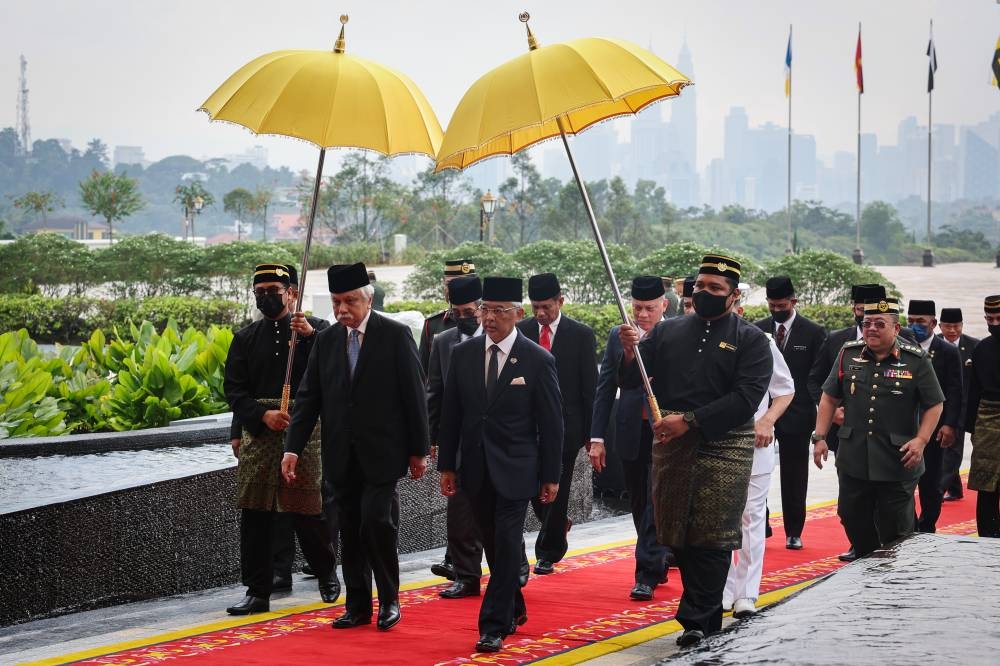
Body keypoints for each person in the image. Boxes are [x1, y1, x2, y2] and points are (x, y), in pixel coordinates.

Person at [618, 254, 772, 648]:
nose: (703, 293)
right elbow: (630, 378)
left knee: (712, 535)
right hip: (672, 446)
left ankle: (700, 620)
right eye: (699, 287)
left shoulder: (751, 339)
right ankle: (699, 612)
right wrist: (628, 349)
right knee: (677, 534)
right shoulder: (667, 333)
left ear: (734, 295)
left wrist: (689, 420)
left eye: (714, 289)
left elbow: (746, 398)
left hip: (724, 447)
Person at [282, 262, 429, 632]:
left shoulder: (394, 335)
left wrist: (419, 450)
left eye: (349, 301)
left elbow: (415, 396)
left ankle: (390, 599)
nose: (342, 309)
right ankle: (358, 605)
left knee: (377, 523)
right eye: (336, 302)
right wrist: (292, 449)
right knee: (349, 529)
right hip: (341, 456)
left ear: (368, 299)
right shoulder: (327, 340)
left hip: (383, 455)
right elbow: (308, 397)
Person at [437, 276, 564, 654]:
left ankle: (493, 625)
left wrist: (551, 476)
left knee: (507, 541)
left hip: (517, 468)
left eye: (499, 311)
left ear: (518, 314)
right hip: (474, 468)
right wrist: (447, 465)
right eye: (485, 310)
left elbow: (552, 423)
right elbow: (451, 415)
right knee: (493, 543)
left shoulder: (538, 359)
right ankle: (514, 605)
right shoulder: (463, 355)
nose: (489, 318)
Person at [223, 263, 338, 615]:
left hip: (304, 429)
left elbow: (334, 365)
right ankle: (257, 591)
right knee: (255, 513)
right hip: (260, 432)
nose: (267, 297)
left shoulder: (316, 330)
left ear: (291, 293)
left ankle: (325, 571)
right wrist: (259, 416)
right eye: (261, 292)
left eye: (274, 291)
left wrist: (308, 338)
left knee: (306, 509)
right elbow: (234, 390)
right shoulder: (245, 338)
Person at [812, 297, 944, 558]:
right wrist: (820, 437)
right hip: (854, 457)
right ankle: (866, 569)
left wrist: (921, 440)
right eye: (867, 323)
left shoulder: (915, 360)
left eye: (880, 324)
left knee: (895, 527)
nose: (871, 328)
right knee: (850, 515)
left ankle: (893, 586)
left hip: (897, 460)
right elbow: (829, 397)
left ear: (896, 329)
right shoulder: (847, 353)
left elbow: (935, 404)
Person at [590, 276, 671, 601]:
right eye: (637, 307)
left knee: (655, 501)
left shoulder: (676, 333)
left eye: (649, 308)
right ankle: (657, 556)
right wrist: (597, 437)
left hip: (664, 429)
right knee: (638, 501)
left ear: (664, 305)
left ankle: (646, 572)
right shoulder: (619, 335)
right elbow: (607, 386)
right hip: (630, 428)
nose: (642, 314)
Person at [517, 273, 597, 576]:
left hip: (568, 425)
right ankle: (557, 526)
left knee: (556, 487)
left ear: (560, 302)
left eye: (546, 307)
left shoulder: (580, 334)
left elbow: (590, 387)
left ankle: (548, 551)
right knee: (532, 487)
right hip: (528, 425)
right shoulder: (522, 331)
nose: (540, 313)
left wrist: (592, 433)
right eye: (536, 306)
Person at [807, 283, 890, 562]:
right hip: (849, 437)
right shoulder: (837, 341)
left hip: (889, 439)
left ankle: (889, 547)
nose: (867, 322)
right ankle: (859, 543)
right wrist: (832, 411)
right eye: (860, 311)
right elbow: (815, 381)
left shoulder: (906, 346)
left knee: (887, 500)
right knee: (851, 500)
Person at [724, 299, 794, 619]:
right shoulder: (696, 340)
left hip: (754, 444)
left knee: (751, 520)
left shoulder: (761, 341)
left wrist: (767, 420)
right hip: (714, 444)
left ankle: (746, 593)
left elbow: (785, 389)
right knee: (717, 521)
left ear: (737, 306)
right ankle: (722, 589)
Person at [753, 276, 826, 550]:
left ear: (793, 302)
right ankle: (763, 523)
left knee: (795, 476)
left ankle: (794, 530)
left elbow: (817, 377)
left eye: (781, 305)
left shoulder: (813, 332)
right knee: (758, 471)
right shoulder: (757, 330)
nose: (776, 310)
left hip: (797, 414)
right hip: (763, 415)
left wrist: (819, 420)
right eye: (771, 305)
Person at [426, 275, 486, 598]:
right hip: (459, 440)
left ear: (481, 308)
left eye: (468, 312)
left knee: (497, 510)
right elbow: (434, 393)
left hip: (496, 442)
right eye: (457, 312)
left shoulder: (500, 336)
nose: (463, 319)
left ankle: (514, 565)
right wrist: (433, 439)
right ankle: (466, 576)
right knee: (460, 512)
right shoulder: (444, 341)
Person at [905, 300, 963, 533]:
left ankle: (927, 526)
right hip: (905, 426)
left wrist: (950, 425)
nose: (915, 326)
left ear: (933, 323)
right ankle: (907, 526)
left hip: (935, 429)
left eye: (920, 321)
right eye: (910, 321)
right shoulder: (901, 347)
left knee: (931, 483)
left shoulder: (947, 351)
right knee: (903, 483)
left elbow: (955, 391)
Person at [965, 295, 1000, 537]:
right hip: (987, 419)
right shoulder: (981, 348)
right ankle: (987, 536)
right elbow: (973, 391)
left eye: (999, 318)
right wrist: (971, 429)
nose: (994, 323)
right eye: (990, 319)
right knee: (987, 486)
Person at [938, 307, 979, 501]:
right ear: (940, 326)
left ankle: (940, 488)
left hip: (965, 406)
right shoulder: (935, 345)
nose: (952, 330)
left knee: (953, 447)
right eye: (948, 326)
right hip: (940, 403)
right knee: (942, 446)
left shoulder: (974, 346)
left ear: (962, 326)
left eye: (956, 326)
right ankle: (955, 487)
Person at [419, 259, 476, 372]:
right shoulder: (432, 325)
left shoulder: (488, 323)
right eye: (449, 284)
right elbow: (422, 371)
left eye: (461, 283)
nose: (455, 289)